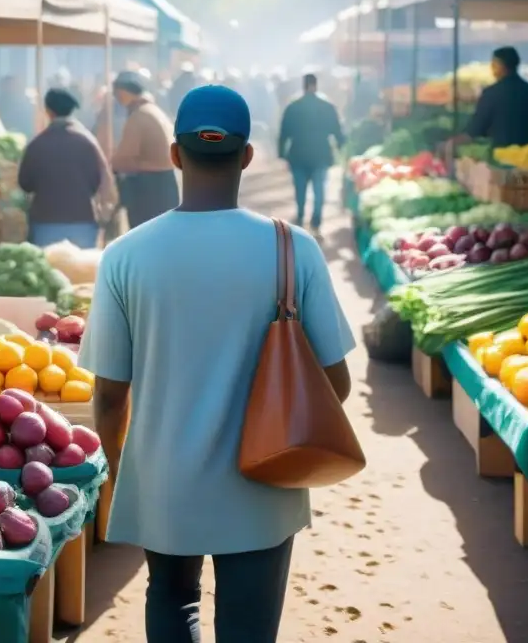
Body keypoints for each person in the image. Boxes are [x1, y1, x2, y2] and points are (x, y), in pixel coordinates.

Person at [78, 84, 355, 643]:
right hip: (265, 480)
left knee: (172, 601)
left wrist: (112, 479)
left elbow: (109, 395)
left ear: (175, 155)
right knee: (249, 628)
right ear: (248, 155)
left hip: (164, 480)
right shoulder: (291, 248)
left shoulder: (125, 255)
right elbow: (336, 384)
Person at [18, 88, 116, 249]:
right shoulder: (88, 142)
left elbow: (25, 183)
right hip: (82, 220)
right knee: (82, 271)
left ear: (48, 111)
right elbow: (100, 181)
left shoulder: (37, 144)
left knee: (49, 271)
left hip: (45, 221)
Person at [110, 71, 180, 229]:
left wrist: (112, 164)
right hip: (165, 184)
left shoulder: (139, 116)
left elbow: (124, 158)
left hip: (149, 189)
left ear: (123, 92)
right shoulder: (154, 111)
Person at [278, 73, 345, 235]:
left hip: (298, 154)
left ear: (303, 85)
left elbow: (284, 132)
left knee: (300, 189)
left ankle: (300, 216)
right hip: (320, 154)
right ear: (316, 85)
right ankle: (316, 220)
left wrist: (281, 152)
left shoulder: (293, 107)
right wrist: (341, 145)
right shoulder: (327, 106)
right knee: (319, 189)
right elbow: (337, 130)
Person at [463, 46, 528, 147]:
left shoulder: (491, 94)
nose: (491, 68)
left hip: (502, 156)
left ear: (500, 66)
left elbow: (477, 129)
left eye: (494, 64)